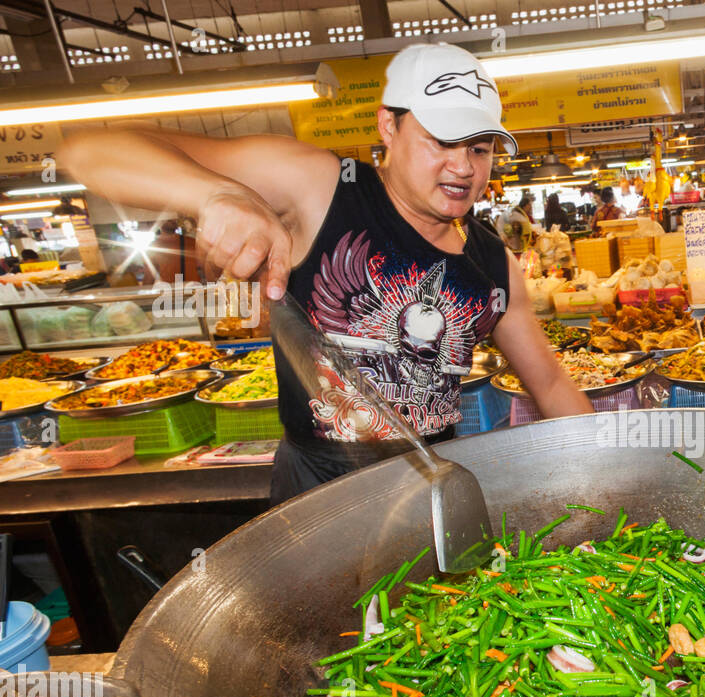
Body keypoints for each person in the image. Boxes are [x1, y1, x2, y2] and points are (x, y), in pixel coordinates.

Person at [57, 42, 593, 504]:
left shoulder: (492, 262)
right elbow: (88, 149)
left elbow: (548, 381)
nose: (463, 167)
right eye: (441, 141)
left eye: (480, 148)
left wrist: (605, 470)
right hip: (317, 481)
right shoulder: (320, 187)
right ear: (390, 124)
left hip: (434, 477)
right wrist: (214, 193)